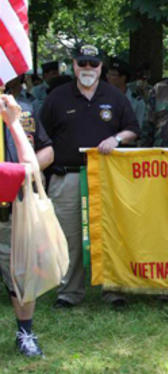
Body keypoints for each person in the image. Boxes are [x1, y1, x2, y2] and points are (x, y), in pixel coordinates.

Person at [39, 44, 139, 308]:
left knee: (109, 234)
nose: (87, 69)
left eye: (93, 64)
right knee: (68, 236)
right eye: (82, 63)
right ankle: (69, 292)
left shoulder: (114, 96)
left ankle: (113, 289)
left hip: (107, 177)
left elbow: (132, 129)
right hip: (67, 177)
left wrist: (117, 138)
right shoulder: (57, 97)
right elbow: (41, 137)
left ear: (100, 67)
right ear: (73, 65)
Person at [0, 92, 54, 357]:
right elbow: (28, 167)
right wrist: (14, 123)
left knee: (22, 273)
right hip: (10, 186)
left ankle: (25, 332)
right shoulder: (15, 116)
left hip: (15, 211)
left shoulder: (25, 109)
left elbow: (43, 153)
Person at [107, 58, 146, 129]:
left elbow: (138, 128)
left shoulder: (137, 102)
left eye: (113, 74)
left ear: (123, 78)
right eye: (108, 73)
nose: (108, 77)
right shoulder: (102, 98)